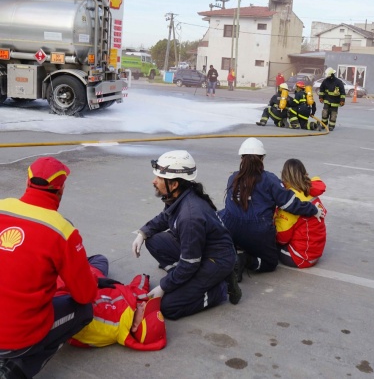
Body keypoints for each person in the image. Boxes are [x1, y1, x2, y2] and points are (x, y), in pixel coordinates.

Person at [0, 157, 118, 379]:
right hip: (14, 338)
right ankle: (14, 371)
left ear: (27, 181)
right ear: (61, 189)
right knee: (83, 311)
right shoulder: (62, 230)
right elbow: (85, 295)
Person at [132, 150, 241, 320]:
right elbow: (165, 217)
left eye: (159, 178)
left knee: (168, 306)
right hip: (199, 252)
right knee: (152, 239)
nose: (154, 181)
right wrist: (143, 233)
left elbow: (189, 264)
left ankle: (219, 289)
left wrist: (164, 286)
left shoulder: (190, 216)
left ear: (174, 184)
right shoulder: (181, 196)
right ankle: (185, 281)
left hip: (216, 261)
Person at [218, 138, 324, 282]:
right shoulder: (269, 179)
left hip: (232, 229)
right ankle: (246, 260)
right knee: (270, 263)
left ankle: (232, 252)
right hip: (258, 230)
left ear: (242, 158)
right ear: (262, 159)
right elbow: (290, 204)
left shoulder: (233, 178)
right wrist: (312, 209)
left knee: (221, 213)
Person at [56, 255, 166, 352]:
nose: (144, 305)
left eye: (145, 311)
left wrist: (94, 281)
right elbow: (139, 289)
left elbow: (64, 299)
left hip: (73, 278)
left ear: (135, 327)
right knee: (100, 259)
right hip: (95, 277)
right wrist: (144, 277)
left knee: (66, 257)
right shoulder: (136, 309)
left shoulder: (104, 327)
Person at [275, 159, 327, 268]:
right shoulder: (310, 190)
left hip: (300, 257)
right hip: (315, 252)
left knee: (267, 247)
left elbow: (282, 237)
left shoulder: (291, 201)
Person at [318, 67, 346, 131]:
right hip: (327, 100)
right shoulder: (325, 81)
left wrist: (342, 100)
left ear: (331, 75)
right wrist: (321, 97)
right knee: (325, 113)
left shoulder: (338, 82)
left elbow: (342, 92)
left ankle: (331, 126)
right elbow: (321, 89)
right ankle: (324, 124)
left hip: (335, 102)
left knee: (333, 114)